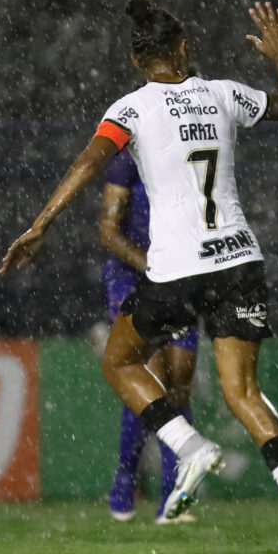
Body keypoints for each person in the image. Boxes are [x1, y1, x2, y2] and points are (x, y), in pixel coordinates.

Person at [0, 0, 278, 551]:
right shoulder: (222, 93)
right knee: (243, 391)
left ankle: (189, 446)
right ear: (182, 49)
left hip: (179, 267)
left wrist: (40, 224)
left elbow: (89, 161)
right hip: (241, 259)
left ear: (135, 61)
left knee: (120, 359)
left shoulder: (131, 108)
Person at [98, 147, 200, 524]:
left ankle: (172, 498)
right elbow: (108, 231)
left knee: (179, 384)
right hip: (133, 274)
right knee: (150, 377)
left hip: (179, 275)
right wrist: (153, 266)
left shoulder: (193, 156)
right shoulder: (128, 159)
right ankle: (126, 479)